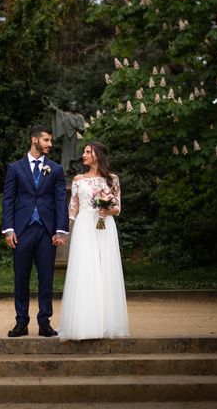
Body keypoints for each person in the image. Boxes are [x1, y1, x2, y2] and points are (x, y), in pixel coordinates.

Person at [2, 124, 69, 337]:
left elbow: (60, 200)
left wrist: (60, 231)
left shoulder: (56, 169)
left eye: (50, 141)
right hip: (22, 231)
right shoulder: (15, 168)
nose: (50, 144)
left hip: (47, 232)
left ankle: (44, 323)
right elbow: (8, 200)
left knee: (46, 278)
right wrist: (9, 230)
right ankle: (21, 322)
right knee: (21, 278)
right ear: (34, 140)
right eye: (46, 140)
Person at [58, 141, 129, 340]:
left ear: (97, 154)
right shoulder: (78, 179)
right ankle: (85, 325)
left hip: (104, 227)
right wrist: (64, 232)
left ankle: (106, 323)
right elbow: (73, 209)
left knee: (105, 271)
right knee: (86, 271)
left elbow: (118, 209)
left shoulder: (112, 179)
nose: (83, 154)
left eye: (87, 151)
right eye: (84, 151)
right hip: (83, 227)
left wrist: (108, 209)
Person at [48, 100, 86, 175]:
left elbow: (83, 129)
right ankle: (66, 170)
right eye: (72, 105)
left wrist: (77, 127)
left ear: (77, 106)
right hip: (67, 139)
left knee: (78, 153)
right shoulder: (66, 115)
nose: (73, 107)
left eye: (75, 105)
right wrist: (52, 106)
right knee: (66, 154)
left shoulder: (80, 117)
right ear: (70, 106)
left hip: (77, 138)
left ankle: (78, 169)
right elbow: (58, 112)